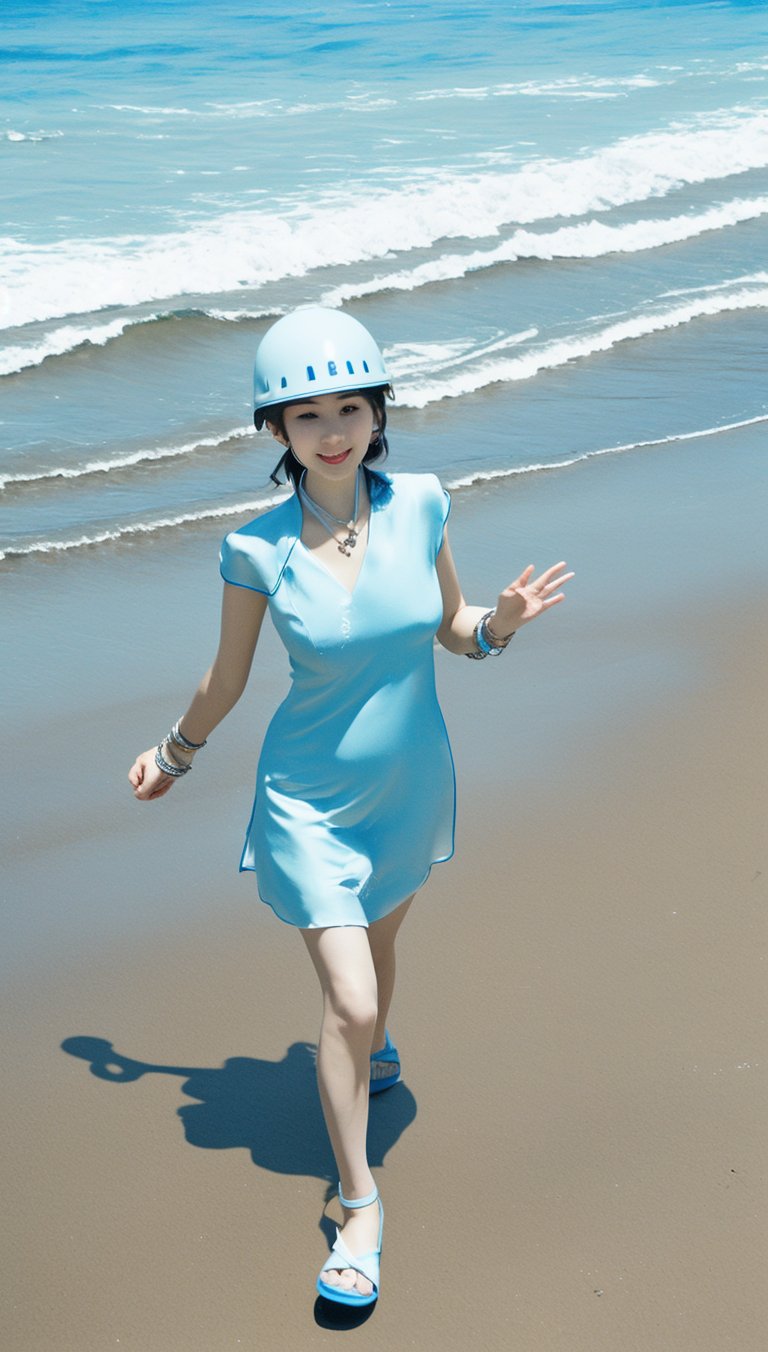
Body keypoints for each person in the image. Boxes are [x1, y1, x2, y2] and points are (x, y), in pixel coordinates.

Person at [128, 306, 572, 1309]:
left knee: (378, 953)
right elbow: (227, 678)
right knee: (352, 997)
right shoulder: (256, 546)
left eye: (350, 408)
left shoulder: (421, 502)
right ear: (275, 432)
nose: (331, 429)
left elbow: (454, 629)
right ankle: (359, 1203)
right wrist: (175, 753)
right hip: (309, 800)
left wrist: (496, 622)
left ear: (379, 413)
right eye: (305, 415)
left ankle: (370, 1053)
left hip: (411, 784)